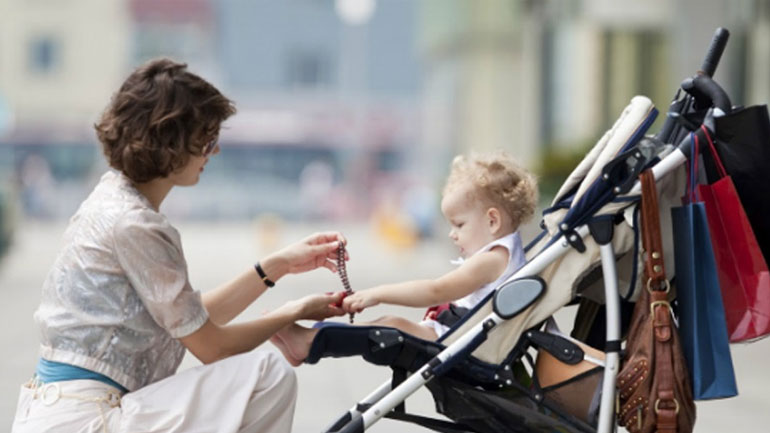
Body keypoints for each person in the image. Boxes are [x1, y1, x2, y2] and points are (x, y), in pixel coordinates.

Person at [11, 58, 348, 433]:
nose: (214, 152)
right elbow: (211, 347)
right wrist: (290, 313)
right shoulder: (136, 224)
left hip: (62, 412)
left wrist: (277, 266)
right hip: (88, 418)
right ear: (170, 141)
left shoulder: (111, 199)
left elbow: (186, 318)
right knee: (268, 374)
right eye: (207, 140)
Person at [270, 151, 538, 366]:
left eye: (459, 224)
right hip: (459, 333)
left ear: (492, 220)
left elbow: (436, 291)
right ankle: (312, 338)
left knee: (390, 327)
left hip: (461, 342)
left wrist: (377, 293)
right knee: (389, 326)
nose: (452, 234)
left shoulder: (492, 260)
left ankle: (310, 341)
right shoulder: (504, 253)